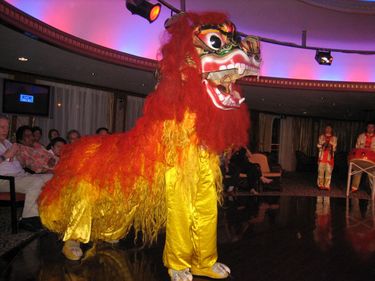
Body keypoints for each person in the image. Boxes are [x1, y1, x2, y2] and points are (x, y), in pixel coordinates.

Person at [0, 115, 52, 231]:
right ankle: (28, 219)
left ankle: (48, 215)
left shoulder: (8, 143)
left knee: (52, 177)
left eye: (7, 127)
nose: (5, 130)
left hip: (20, 176)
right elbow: (7, 157)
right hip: (4, 179)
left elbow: (22, 163)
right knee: (36, 182)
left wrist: (24, 157)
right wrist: (6, 155)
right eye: (2, 127)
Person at [351, 121, 375, 192]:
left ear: (374, 129)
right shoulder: (361, 136)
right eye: (369, 127)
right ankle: (354, 188)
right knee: (357, 170)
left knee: (372, 174)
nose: (370, 129)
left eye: (372, 127)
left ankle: (373, 190)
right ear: (366, 128)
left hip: (372, 160)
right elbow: (357, 147)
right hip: (361, 159)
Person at [316, 125, 337, 190]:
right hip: (322, 157)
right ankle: (320, 185)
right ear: (325, 129)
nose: (328, 129)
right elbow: (318, 145)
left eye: (329, 128)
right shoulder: (321, 137)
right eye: (327, 128)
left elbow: (334, 148)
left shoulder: (334, 138)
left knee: (328, 171)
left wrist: (330, 146)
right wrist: (323, 145)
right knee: (320, 171)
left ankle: (327, 185)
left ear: (331, 130)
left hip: (329, 157)